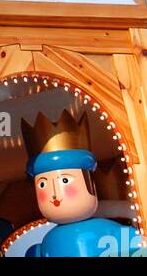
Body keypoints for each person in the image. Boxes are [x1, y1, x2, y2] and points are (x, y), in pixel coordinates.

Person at [22, 109, 141, 257]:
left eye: (65, 180)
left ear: (89, 184)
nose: (54, 193)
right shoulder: (44, 244)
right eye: (42, 184)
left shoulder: (114, 233)